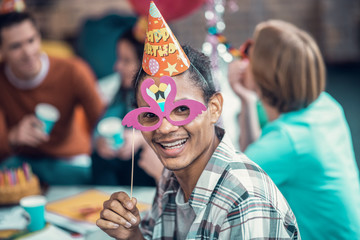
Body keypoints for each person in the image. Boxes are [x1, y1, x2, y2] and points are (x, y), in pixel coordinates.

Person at [96, 3, 300, 239]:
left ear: (214, 109)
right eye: (150, 115)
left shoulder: (245, 205)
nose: (164, 127)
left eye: (182, 109)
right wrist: (133, 235)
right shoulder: (171, 177)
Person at [228, 19, 360, 239]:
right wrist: (247, 101)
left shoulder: (288, 142)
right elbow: (255, 157)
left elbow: (227, 192)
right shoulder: (326, 105)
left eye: (249, 52)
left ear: (264, 75)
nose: (243, 57)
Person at [0, 7, 105, 185]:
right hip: (22, 162)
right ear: (2, 50)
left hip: (70, 160)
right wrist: (13, 136)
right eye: (16, 46)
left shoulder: (73, 71)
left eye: (31, 40)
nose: (28, 52)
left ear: (39, 38)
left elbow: (101, 120)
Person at [92, 28, 162, 186]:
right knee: (100, 157)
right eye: (119, 59)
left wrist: (141, 139)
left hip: (150, 176)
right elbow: (107, 120)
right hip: (121, 173)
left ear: (146, 66)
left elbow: (176, 133)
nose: (117, 67)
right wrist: (100, 141)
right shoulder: (124, 92)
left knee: (146, 153)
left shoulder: (164, 94)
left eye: (126, 60)